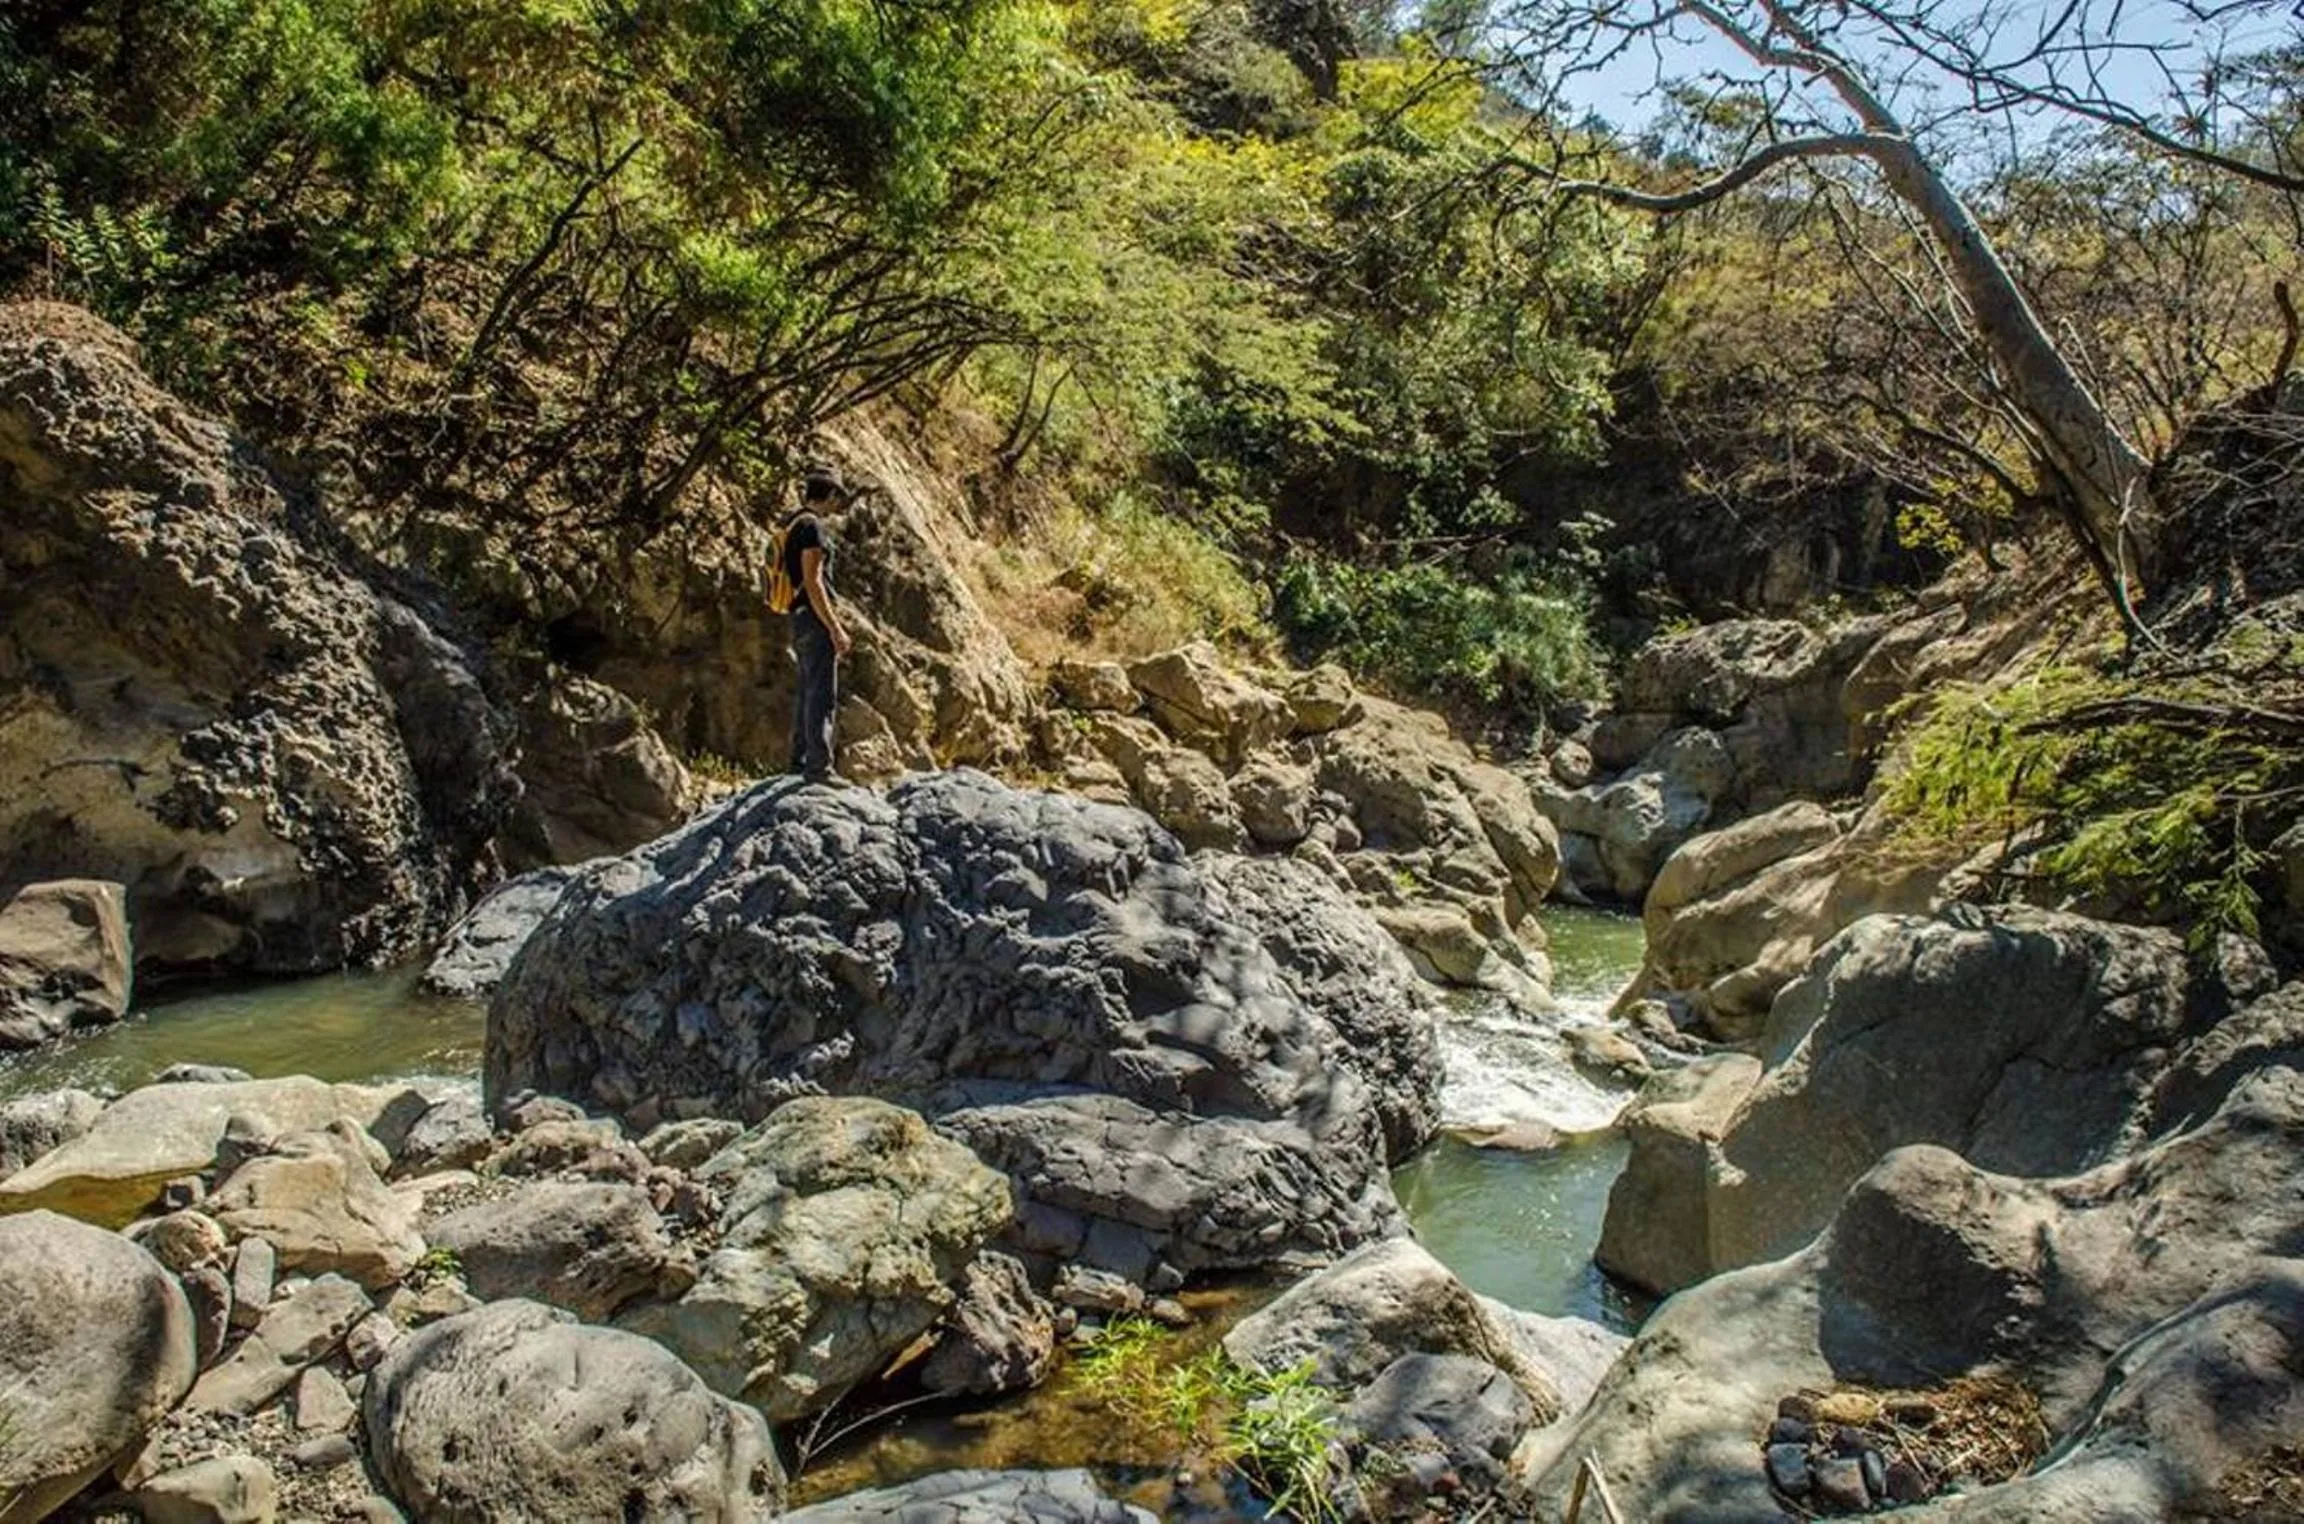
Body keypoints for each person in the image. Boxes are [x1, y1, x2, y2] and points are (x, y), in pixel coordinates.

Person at [779, 462, 854, 779]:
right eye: (839, 496)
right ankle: (819, 767)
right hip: (814, 617)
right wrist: (835, 627)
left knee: (808, 689)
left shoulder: (792, 522)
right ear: (832, 493)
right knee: (822, 693)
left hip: (797, 616)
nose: (840, 503)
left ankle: (798, 763)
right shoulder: (812, 527)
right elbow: (814, 581)